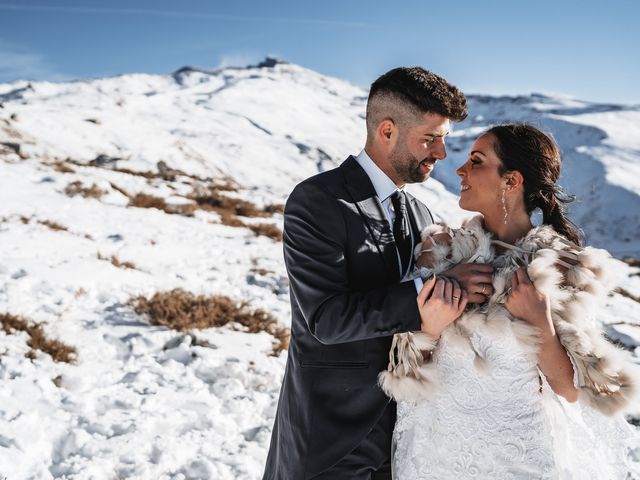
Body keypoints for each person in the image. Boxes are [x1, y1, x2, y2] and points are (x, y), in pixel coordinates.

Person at [262, 67, 495, 480]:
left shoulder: (420, 213)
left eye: (444, 139)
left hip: (405, 437)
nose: (441, 154)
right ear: (387, 130)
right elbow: (326, 319)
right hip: (329, 440)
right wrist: (436, 288)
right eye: (430, 138)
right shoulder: (317, 201)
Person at [380, 123, 640, 479]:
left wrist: (541, 324)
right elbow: (405, 373)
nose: (460, 170)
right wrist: (432, 326)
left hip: (518, 459)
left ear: (511, 181)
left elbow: (571, 390)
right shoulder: (440, 253)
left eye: (476, 161)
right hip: (436, 453)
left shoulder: (560, 266)